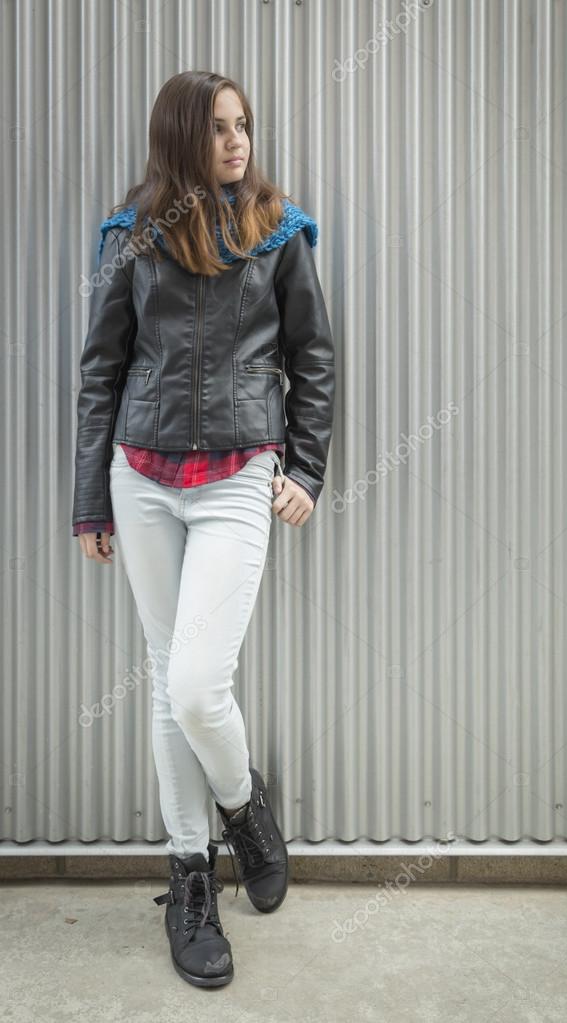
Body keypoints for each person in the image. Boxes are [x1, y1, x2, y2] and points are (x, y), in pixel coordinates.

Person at [71, 70, 335, 988]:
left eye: (245, 126)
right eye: (220, 128)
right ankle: (192, 877)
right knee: (163, 681)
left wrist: (304, 466)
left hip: (235, 480)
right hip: (140, 478)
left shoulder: (279, 230)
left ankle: (244, 803)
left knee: (193, 683)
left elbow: (313, 356)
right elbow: (102, 368)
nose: (238, 142)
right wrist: (89, 500)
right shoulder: (130, 235)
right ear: (182, 138)